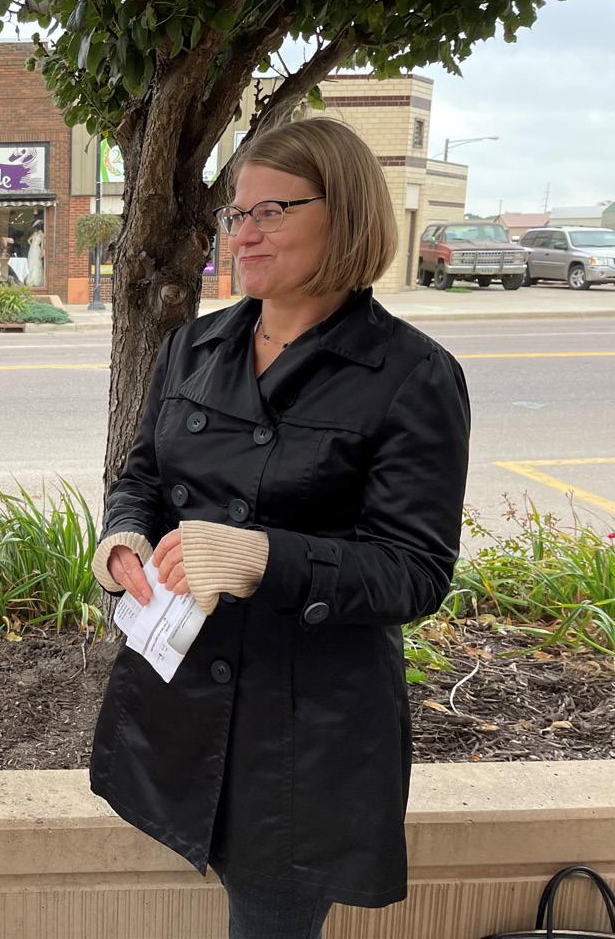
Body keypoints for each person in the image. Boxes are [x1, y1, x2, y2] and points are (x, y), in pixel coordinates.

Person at [88, 117, 470, 939]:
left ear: (346, 215)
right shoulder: (193, 347)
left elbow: (414, 571)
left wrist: (260, 557)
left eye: (272, 211)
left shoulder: (412, 375)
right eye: (237, 213)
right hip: (185, 695)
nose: (243, 234)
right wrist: (123, 540)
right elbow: (144, 476)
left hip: (305, 733)